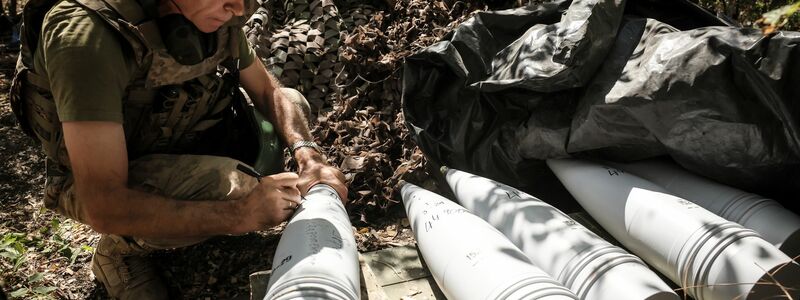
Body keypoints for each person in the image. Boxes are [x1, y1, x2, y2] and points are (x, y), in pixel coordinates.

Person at [9, 0, 348, 298]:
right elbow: (102, 200)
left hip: (181, 133)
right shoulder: (88, 35)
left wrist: (309, 156)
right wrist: (240, 214)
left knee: (292, 102)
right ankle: (118, 251)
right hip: (106, 176)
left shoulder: (214, 9)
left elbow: (267, 91)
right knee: (233, 189)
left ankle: (192, 208)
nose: (240, 9)